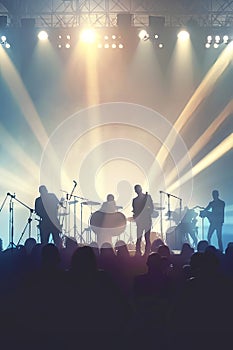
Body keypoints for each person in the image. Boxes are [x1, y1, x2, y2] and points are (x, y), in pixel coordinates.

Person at [132, 184, 154, 256]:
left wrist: (147, 212)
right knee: (141, 237)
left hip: (146, 219)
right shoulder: (135, 200)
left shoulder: (147, 197)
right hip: (142, 220)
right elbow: (135, 210)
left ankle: (145, 252)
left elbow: (151, 208)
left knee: (145, 237)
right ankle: (139, 252)